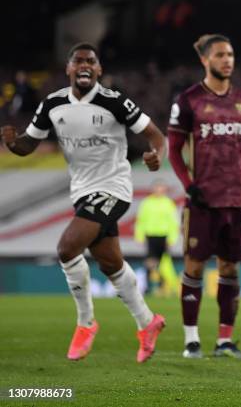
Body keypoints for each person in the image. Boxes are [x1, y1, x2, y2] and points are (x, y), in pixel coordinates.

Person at [0, 43, 166, 363]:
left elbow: (157, 137)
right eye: (78, 61)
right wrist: (12, 142)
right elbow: (28, 145)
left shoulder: (114, 102)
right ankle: (148, 322)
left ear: (99, 70)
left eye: (91, 61)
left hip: (113, 188)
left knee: (66, 248)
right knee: (110, 262)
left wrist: (156, 156)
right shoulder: (53, 104)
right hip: (82, 191)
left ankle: (85, 323)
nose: (85, 65)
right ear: (69, 69)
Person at [167, 34, 241, 359]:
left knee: (230, 270)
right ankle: (191, 341)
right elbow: (173, 149)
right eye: (220, 55)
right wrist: (189, 185)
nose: (227, 60)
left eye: (230, 54)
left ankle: (224, 341)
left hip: (236, 201)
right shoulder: (188, 100)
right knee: (195, 268)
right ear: (205, 60)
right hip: (202, 201)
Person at [134, 179, 180, 294]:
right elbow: (141, 220)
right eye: (157, 187)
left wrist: (172, 238)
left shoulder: (168, 203)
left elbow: (173, 222)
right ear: (153, 189)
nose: (159, 190)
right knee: (150, 261)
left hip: (164, 236)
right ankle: (148, 287)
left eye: (161, 188)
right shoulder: (146, 203)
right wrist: (139, 235)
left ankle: (162, 287)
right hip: (150, 235)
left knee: (164, 263)